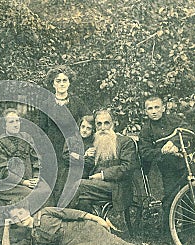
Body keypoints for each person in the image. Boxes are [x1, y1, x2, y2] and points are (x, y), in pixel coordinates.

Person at [2, 205, 163, 245]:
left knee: (115, 244)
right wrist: (6, 226)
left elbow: (75, 214)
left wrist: (98, 219)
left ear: (27, 210)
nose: (20, 218)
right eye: (15, 218)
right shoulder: (32, 238)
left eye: (20, 213)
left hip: (84, 230)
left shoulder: (45, 212)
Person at [0, 108, 52, 240]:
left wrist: (36, 177)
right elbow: (1, 171)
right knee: (31, 194)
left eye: (17, 121)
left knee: (46, 189)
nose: (15, 124)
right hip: (9, 185)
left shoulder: (27, 138)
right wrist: (23, 182)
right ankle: (26, 231)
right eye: (11, 121)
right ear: (4, 125)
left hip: (30, 180)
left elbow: (36, 159)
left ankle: (42, 226)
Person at [138, 97, 192, 235]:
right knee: (170, 198)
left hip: (185, 164)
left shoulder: (174, 120)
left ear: (163, 108)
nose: (154, 111)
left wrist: (174, 143)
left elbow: (189, 131)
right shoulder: (146, 130)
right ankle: (169, 235)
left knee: (190, 196)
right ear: (146, 111)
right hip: (166, 168)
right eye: (150, 108)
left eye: (157, 107)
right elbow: (145, 152)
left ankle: (191, 231)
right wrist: (161, 150)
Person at [69, 110, 137, 218]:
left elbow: (128, 167)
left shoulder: (125, 142)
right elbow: (89, 166)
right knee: (82, 202)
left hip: (117, 187)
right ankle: (89, 229)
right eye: (99, 124)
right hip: (96, 187)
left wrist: (102, 175)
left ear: (113, 124)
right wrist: (86, 157)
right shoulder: (95, 142)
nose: (103, 127)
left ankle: (65, 222)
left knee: (78, 185)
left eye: (106, 123)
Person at [39, 65, 91, 202]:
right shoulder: (46, 104)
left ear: (69, 83)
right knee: (54, 182)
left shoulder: (77, 103)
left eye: (64, 80)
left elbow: (88, 122)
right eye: (58, 81)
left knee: (71, 182)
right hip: (53, 149)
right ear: (53, 84)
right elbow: (41, 129)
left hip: (72, 148)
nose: (61, 84)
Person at [59, 115, 95, 207]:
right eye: (83, 127)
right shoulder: (71, 140)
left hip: (83, 176)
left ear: (93, 131)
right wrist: (83, 156)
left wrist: (76, 156)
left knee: (79, 200)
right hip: (67, 174)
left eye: (88, 128)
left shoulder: (93, 145)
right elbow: (66, 157)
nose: (84, 130)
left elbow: (90, 163)